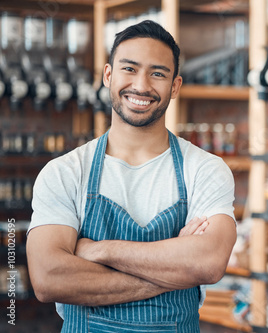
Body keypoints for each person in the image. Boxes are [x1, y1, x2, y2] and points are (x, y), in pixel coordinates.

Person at [26, 20, 237, 333]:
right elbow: (48, 278)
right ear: (108, 75)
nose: (141, 85)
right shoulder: (66, 172)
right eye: (129, 69)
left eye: (158, 73)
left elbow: (207, 263)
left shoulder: (205, 169)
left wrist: (99, 250)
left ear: (175, 86)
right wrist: (175, 273)